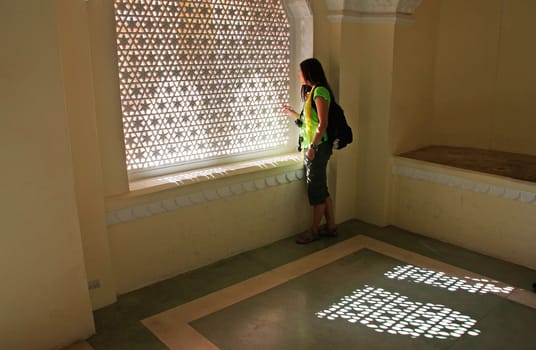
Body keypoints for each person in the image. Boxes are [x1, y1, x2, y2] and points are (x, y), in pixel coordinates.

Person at [282, 58, 337, 244]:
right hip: (316, 145)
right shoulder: (313, 91)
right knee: (322, 188)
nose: (299, 75)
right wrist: (294, 115)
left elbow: (323, 124)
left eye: (300, 72)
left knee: (315, 190)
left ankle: (313, 230)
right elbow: (310, 122)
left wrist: (312, 147)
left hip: (318, 147)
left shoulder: (320, 91)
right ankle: (331, 227)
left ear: (308, 73)